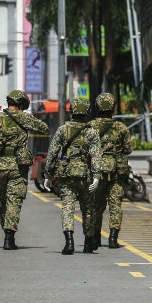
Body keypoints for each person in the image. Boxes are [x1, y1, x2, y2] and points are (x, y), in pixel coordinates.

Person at [0, 89, 48, 250]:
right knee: (14, 201)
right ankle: (9, 237)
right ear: (21, 105)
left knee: (3, 200)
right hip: (18, 165)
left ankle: (6, 230)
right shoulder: (25, 118)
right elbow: (44, 128)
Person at [44, 97, 102, 254]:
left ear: (72, 111)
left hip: (66, 175)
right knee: (88, 209)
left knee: (67, 207)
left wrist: (48, 175)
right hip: (86, 176)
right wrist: (96, 176)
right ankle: (88, 243)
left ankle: (69, 242)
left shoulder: (63, 130)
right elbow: (96, 156)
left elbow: (52, 153)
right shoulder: (91, 132)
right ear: (87, 112)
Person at [88, 93, 132, 249]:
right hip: (116, 173)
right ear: (113, 107)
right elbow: (128, 149)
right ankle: (113, 238)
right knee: (115, 205)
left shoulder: (90, 126)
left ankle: (95, 237)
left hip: (96, 172)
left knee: (95, 206)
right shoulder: (121, 127)